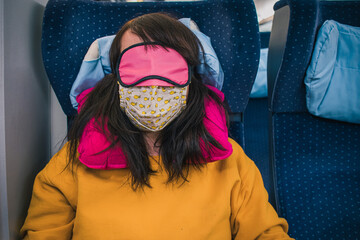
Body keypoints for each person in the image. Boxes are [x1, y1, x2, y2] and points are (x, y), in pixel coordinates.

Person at [20, 13, 293, 240]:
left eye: (168, 70)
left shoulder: (230, 162)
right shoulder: (73, 161)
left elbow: (265, 234)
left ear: (191, 82)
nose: (152, 85)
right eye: (136, 68)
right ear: (114, 81)